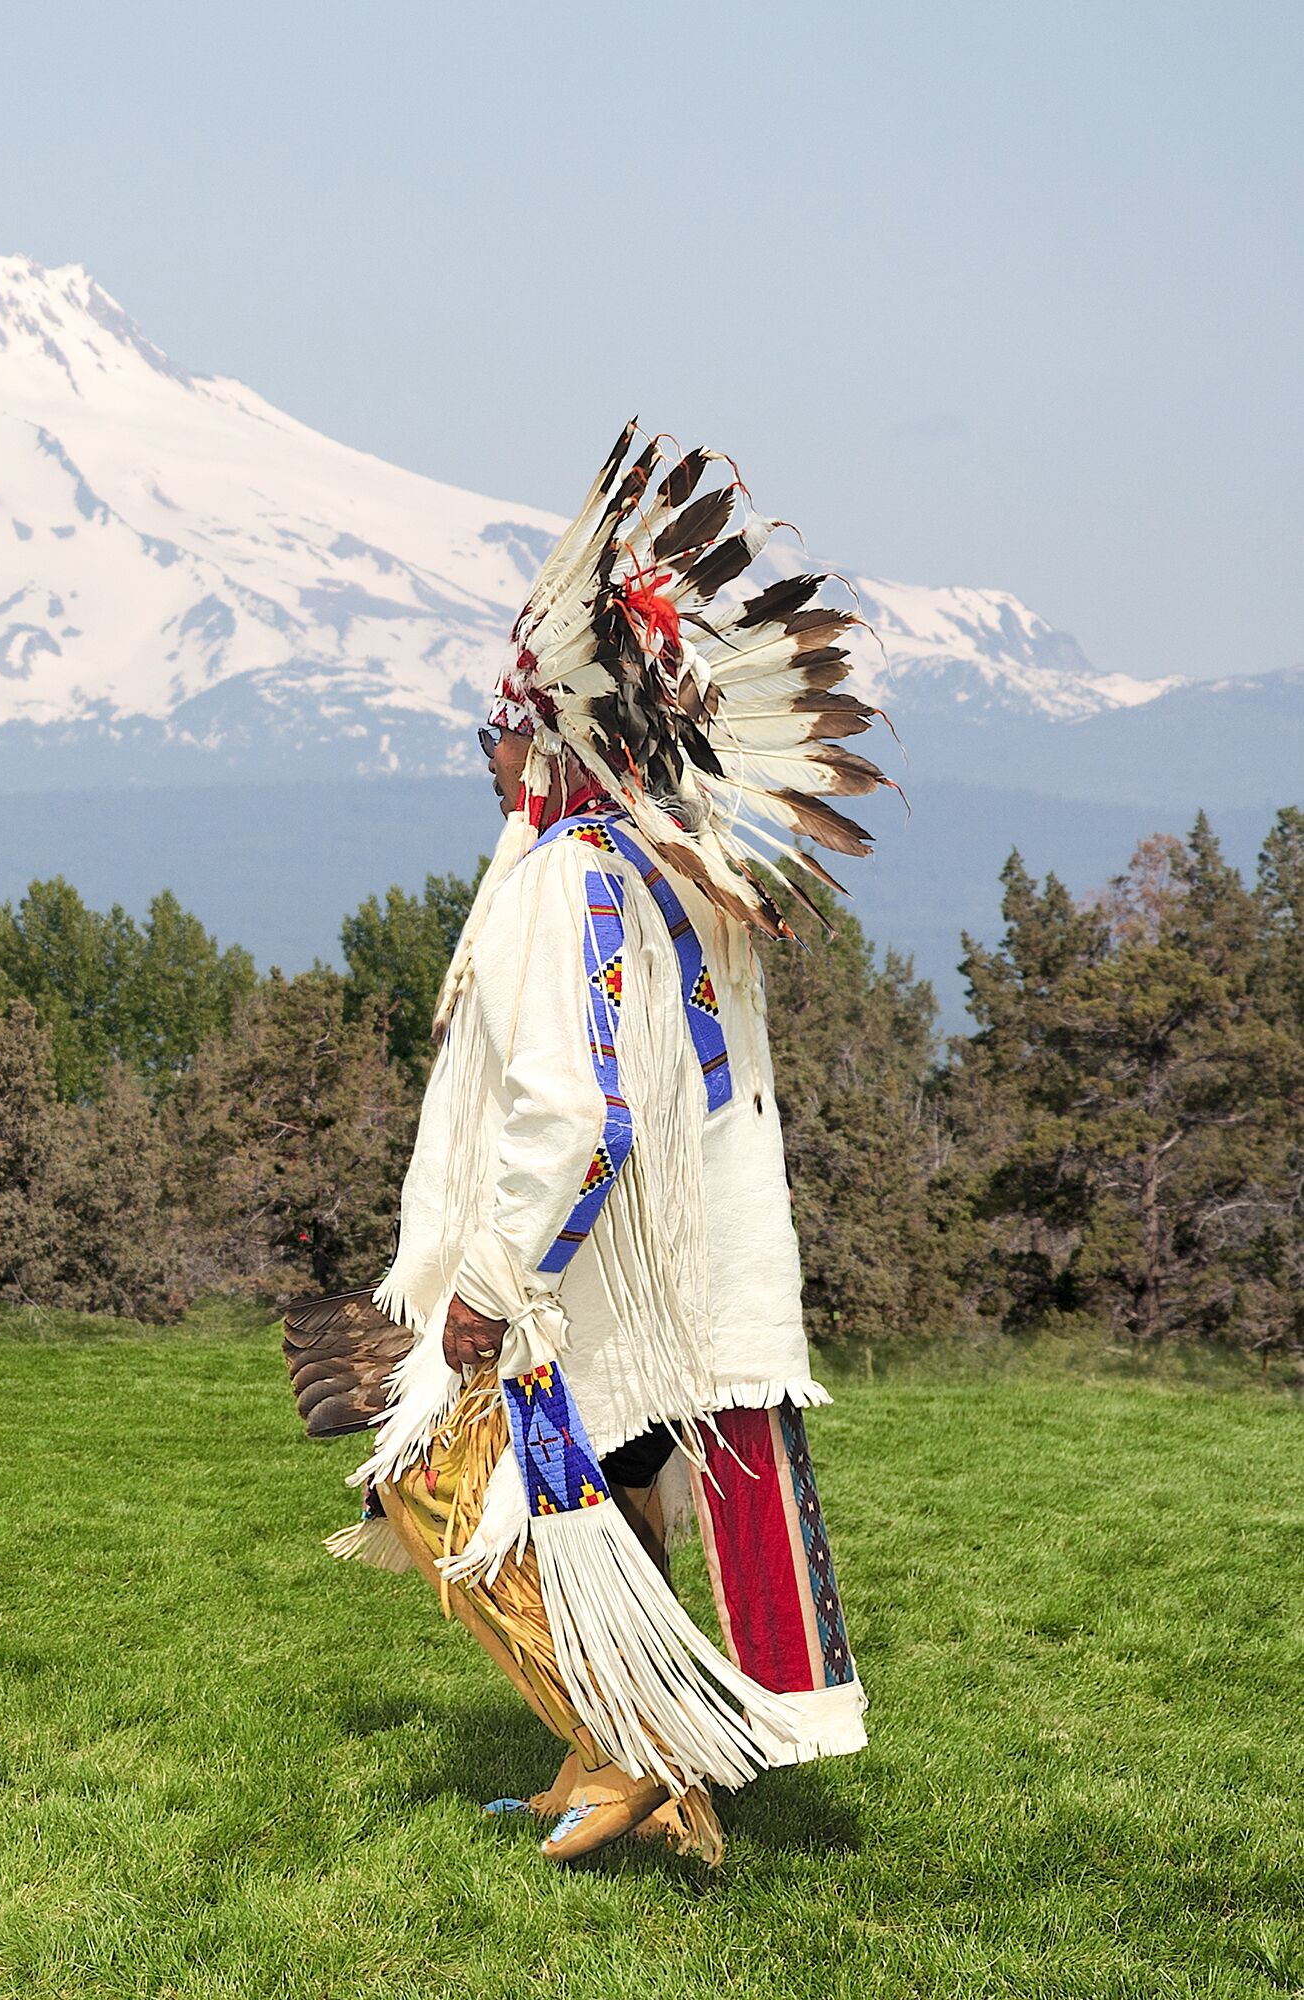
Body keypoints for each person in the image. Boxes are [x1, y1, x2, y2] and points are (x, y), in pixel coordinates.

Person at [332, 423, 876, 1864]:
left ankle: (641, 1745)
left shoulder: (572, 875)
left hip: (580, 1280)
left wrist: (481, 1292)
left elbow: (577, 1111)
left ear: (554, 735)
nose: (489, 752)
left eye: (498, 726)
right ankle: (619, 1758)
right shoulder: (676, 865)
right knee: (607, 1502)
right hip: (665, 1270)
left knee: (465, 1493)